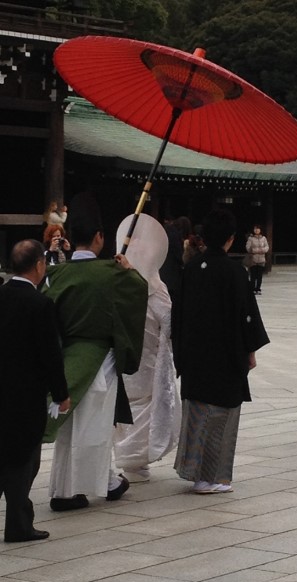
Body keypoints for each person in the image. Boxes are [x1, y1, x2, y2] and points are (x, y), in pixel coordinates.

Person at [43, 206, 148, 511]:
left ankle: (69, 488)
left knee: (69, 427)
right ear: (100, 237)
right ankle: (94, 485)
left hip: (65, 357)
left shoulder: (55, 273)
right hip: (100, 358)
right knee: (95, 427)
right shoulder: (112, 272)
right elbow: (138, 293)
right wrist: (128, 270)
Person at [173, 209, 269, 494]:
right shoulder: (235, 272)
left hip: (194, 355)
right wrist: (250, 351)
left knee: (196, 413)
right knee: (219, 416)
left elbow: (178, 316)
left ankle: (191, 469)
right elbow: (246, 317)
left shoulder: (190, 269)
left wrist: (180, 353)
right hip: (225, 356)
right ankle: (209, 476)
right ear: (230, 239)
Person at [0, 240, 70, 542]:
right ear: (40, 265)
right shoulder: (40, 304)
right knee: (23, 460)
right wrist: (62, 393)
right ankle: (18, 523)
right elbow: (50, 355)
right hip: (25, 395)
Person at [113, 214, 181, 482]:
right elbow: (170, 321)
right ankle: (135, 461)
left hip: (128, 358)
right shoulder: (155, 287)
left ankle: (130, 460)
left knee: (129, 405)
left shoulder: (119, 284)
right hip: (145, 356)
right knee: (139, 405)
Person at [246, 224, 269, 294]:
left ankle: (258, 288)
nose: (256, 230)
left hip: (261, 260)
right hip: (253, 260)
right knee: (253, 276)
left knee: (259, 276)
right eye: (255, 229)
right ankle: (252, 289)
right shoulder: (251, 238)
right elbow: (248, 248)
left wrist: (260, 250)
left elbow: (267, 248)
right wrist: (257, 250)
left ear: (260, 230)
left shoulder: (264, 238)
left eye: (258, 229)